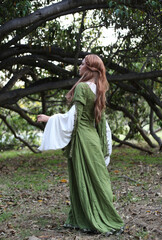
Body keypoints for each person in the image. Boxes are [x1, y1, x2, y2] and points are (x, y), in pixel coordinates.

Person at [37, 54, 124, 235]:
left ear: (90, 69)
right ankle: (86, 216)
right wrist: (103, 146)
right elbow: (101, 123)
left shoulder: (83, 88)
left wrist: (49, 119)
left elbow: (73, 118)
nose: (79, 66)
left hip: (83, 139)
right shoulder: (99, 89)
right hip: (92, 138)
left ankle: (92, 218)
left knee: (83, 178)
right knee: (96, 178)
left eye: (83, 63)